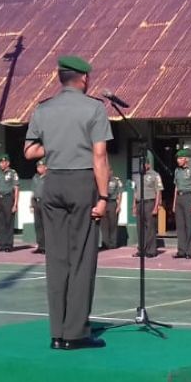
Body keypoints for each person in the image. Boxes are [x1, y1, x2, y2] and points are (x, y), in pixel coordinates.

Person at [23, 55, 112, 350]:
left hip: (53, 184)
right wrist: (103, 197)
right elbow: (99, 157)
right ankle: (76, 333)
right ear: (84, 78)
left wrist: (56, 142)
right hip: (81, 182)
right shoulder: (94, 108)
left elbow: (29, 152)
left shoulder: (44, 108)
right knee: (83, 258)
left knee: (57, 259)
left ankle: (57, 333)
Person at [172, 150, 191, 258]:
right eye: (178, 158)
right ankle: (181, 251)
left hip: (189, 197)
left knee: (189, 225)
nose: (178, 161)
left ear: (186, 159)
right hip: (179, 197)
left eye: (181, 158)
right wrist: (174, 203)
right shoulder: (177, 171)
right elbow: (176, 187)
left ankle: (189, 251)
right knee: (180, 226)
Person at [132, 160, 163, 258]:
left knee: (150, 227)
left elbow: (158, 191)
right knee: (140, 228)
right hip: (139, 203)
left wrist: (156, 206)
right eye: (141, 164)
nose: (142, 166)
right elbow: (135, 192)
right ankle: (141, 250)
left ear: (148, 164)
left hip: (150, 202)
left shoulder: (155, 175)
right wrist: (133, 206)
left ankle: (151, 250)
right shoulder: (137, 176)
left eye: (144, 164)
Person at [0, 155, 20, 252]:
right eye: (0, 162)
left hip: (8, 198)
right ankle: (2, 244)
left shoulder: (13, 173)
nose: (1, 164)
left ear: (8, 163)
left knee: (9, 222)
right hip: (0, 199)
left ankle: (9, 245)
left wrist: (15, 204)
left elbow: (16, 188)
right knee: (1, 222)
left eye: (3, 162)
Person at [100, 170, 123, 250]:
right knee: (104, 225)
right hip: (104, 203)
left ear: (111, 172)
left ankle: (113, 244)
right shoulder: (102, 179)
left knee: (113, 224)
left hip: (113, 203)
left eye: (109, 171)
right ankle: (105, 243)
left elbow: (120, 193)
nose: (108, 173)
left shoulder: (116, 180)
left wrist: (119, 206)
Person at [30, 159, 48, 254]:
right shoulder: (35, 177)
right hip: (36, 202)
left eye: (41, 166)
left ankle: (46, 247)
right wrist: (31, 204)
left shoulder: (49, 177)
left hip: (45, 202)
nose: (39, 168)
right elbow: (33, 192)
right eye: (38, 167)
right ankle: (40, 246)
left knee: (46, 225)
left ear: (46, 167)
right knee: (38, 225)